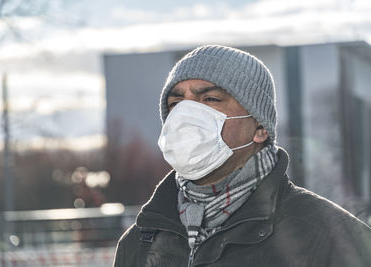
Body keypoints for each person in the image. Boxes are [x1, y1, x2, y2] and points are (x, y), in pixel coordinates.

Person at [113, 45, 371, 267]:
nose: (186, 115)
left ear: (259, 127)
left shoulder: (331, 236)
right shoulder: (139, 243)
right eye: (176, 104)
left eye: (210, 99)